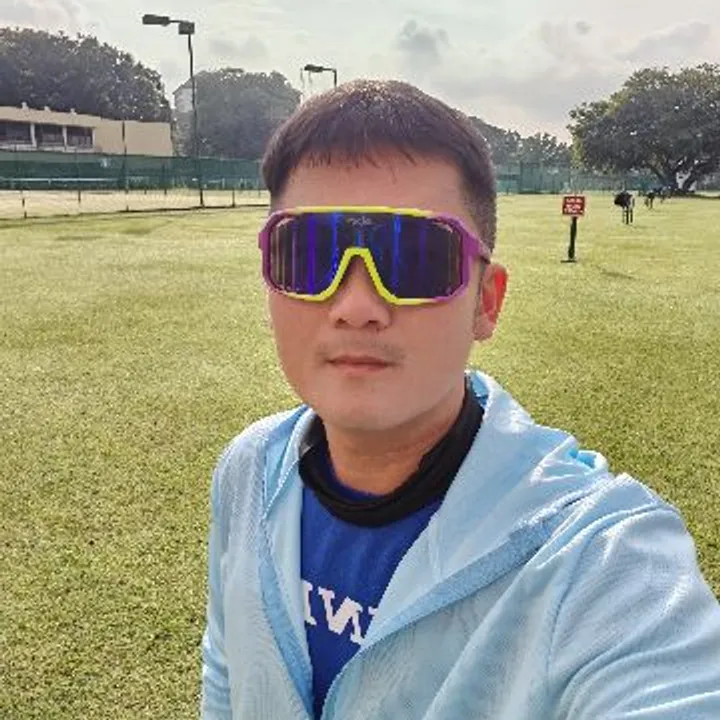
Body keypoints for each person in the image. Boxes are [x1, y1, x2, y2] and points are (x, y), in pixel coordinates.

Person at [201, 80, 720, 719]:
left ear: (487, 302)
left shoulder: (598, 557)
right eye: (309, 255)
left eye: (416, 259)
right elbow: (227, 671)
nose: (356, 306)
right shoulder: (249, 468)